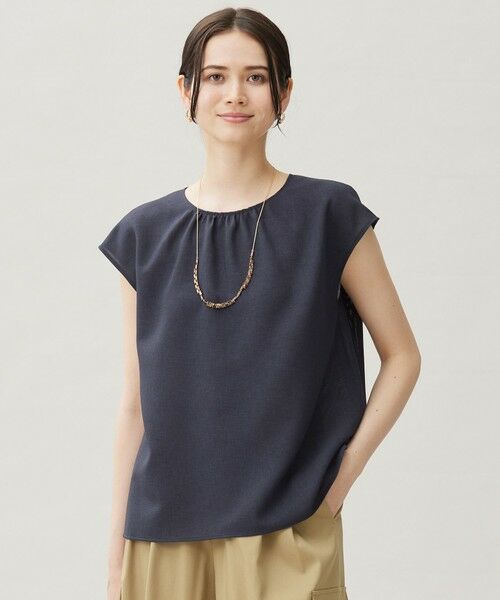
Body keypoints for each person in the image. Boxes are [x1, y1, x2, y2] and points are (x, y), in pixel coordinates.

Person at [98, 8, 421, 600]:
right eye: (215, 76)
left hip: (288, 527)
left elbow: (402, 355)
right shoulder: (143, 235)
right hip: (161, 535)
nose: (235, 94)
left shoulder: (329, 215)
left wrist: (338, 483)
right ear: (186, 91)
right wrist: (116, 562)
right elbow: (135, 407)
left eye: (256, 76)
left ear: (284, 93)